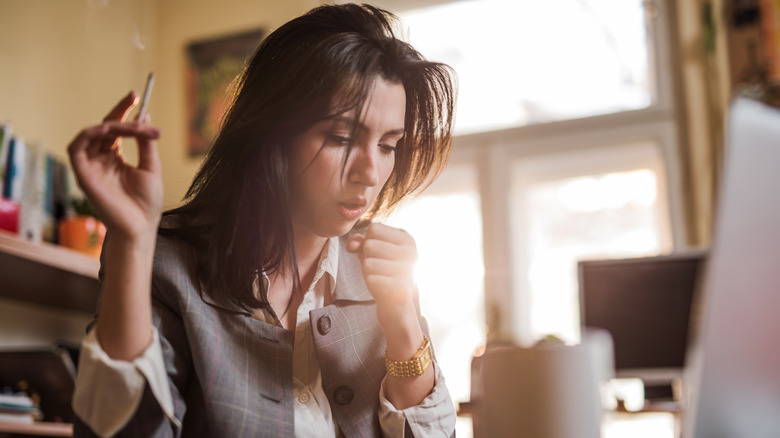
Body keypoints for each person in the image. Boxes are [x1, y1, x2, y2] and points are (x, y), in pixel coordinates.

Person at [66, 3, 457, 437]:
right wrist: (132, 239)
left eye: (388, 145)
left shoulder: (385, 270)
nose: (370, 172)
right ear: (273, 134)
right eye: (341, 138)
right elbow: (121, 431)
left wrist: (403, 320)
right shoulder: (168, 264)